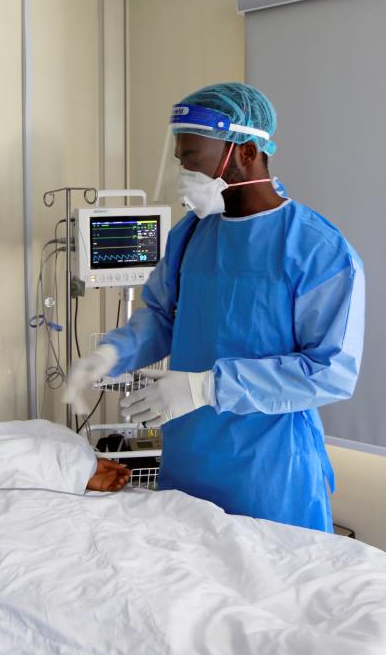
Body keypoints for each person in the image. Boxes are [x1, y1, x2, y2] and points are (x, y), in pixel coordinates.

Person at [65, 82, 365, 532]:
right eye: (180, 158)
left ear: (245, 153)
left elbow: (330, 370)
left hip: (269, 470)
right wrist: (112, 353)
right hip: (190, 459)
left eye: (194, 158)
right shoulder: (191, 235)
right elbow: (163, 318)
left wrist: (206, 388)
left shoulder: (316, 249)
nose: (183, 171)